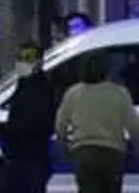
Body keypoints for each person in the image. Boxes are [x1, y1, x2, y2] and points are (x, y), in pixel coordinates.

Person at [55, 52, 139, 193]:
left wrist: (64, 148)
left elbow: (60, 125)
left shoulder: (74, 93)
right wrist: (135, 150)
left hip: (84, 154)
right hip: (112, 154)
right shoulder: (119, 93)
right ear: (107, 69)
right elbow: (134, 127)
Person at [0, 42, 54, 193]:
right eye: (19, 58)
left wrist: (0, 128)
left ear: (39, 62)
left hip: (29, 161)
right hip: (20, 159)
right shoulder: (24, 85)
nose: (22, 62)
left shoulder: (38, 90)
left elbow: (28, 125)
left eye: (28, 58)